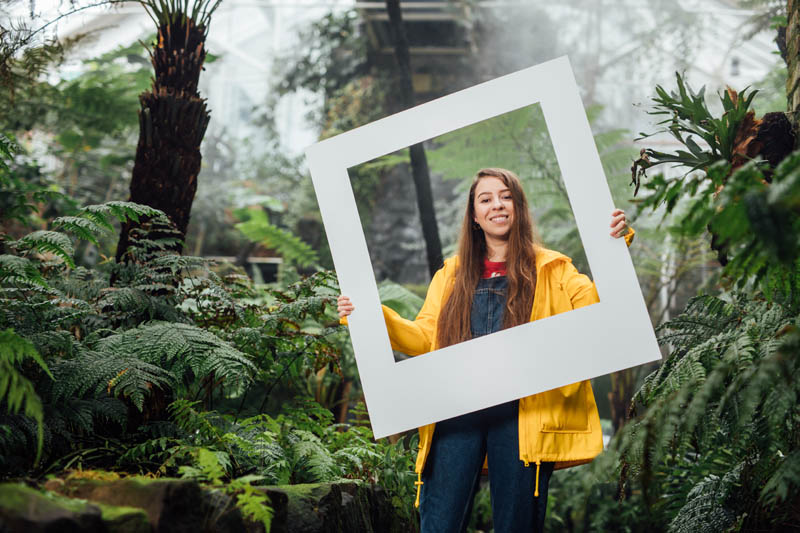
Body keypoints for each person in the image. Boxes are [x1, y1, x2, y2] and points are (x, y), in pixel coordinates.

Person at [337, 168, 632, 533]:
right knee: (440, 524)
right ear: (474, 216)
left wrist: (616, 246)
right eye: (486, 199)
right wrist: (368, 316)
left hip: (524, 414)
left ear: (519, 207)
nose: (497, 205)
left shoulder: (554, 269)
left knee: (517, 524)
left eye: (506, 196)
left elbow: (597, 310)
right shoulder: (451, 275)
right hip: (456, 410)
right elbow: (423, 337)